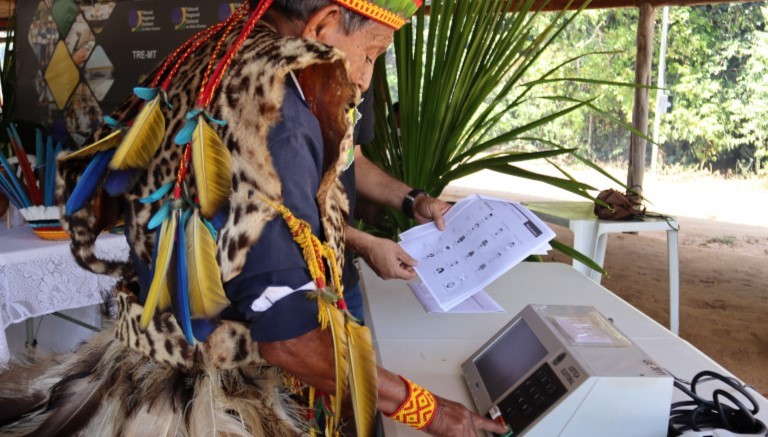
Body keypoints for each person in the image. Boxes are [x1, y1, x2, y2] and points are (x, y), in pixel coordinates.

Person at [0, 2, 508, 436]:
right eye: (371, 53)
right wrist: (435, 411)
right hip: (206, 390)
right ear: (324, 25)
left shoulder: (218, 50)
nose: (364, 79)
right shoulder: (277, 121)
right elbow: (288, 340)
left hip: (149, 355)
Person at [342, 87, 452, 322]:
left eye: (378, 54)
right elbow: (280, 208)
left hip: (342, 276)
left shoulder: (361, 80)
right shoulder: (282, 95)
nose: (364, 78)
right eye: (365, 52)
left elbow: (353, 161)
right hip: (286, 284)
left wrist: (414, 200)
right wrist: (363, 243)